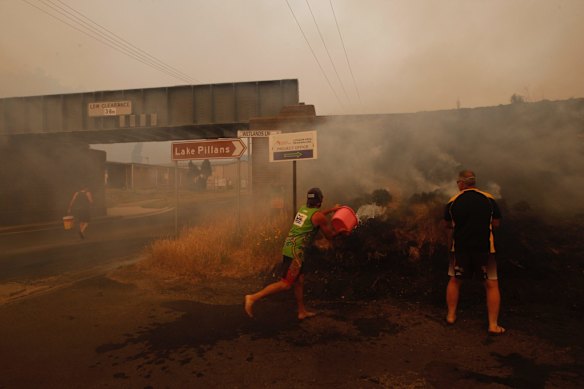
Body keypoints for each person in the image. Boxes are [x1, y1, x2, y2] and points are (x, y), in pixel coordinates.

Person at [245, 188, 341, 320]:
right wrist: (342, 230)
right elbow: (329, 236)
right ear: (320, 200)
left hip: (289, 247)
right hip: (296, 253)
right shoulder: (318, 217)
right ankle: (253, 297)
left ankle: (301, 312)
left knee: (299, 281)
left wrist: (331, 210)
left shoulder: (303, 210)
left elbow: (317, 216)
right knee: (286, 283)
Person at [444, 170, 505, 335]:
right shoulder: (488, 199)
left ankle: (450, 316)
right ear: (474, 182)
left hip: (461, 249)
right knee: (491, 284)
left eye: (458, 183)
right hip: (484, 249)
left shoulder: (453, 201)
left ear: (461, 183)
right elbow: (497, 223)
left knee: (455, 280)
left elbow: (448, 224)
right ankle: (493, 325)